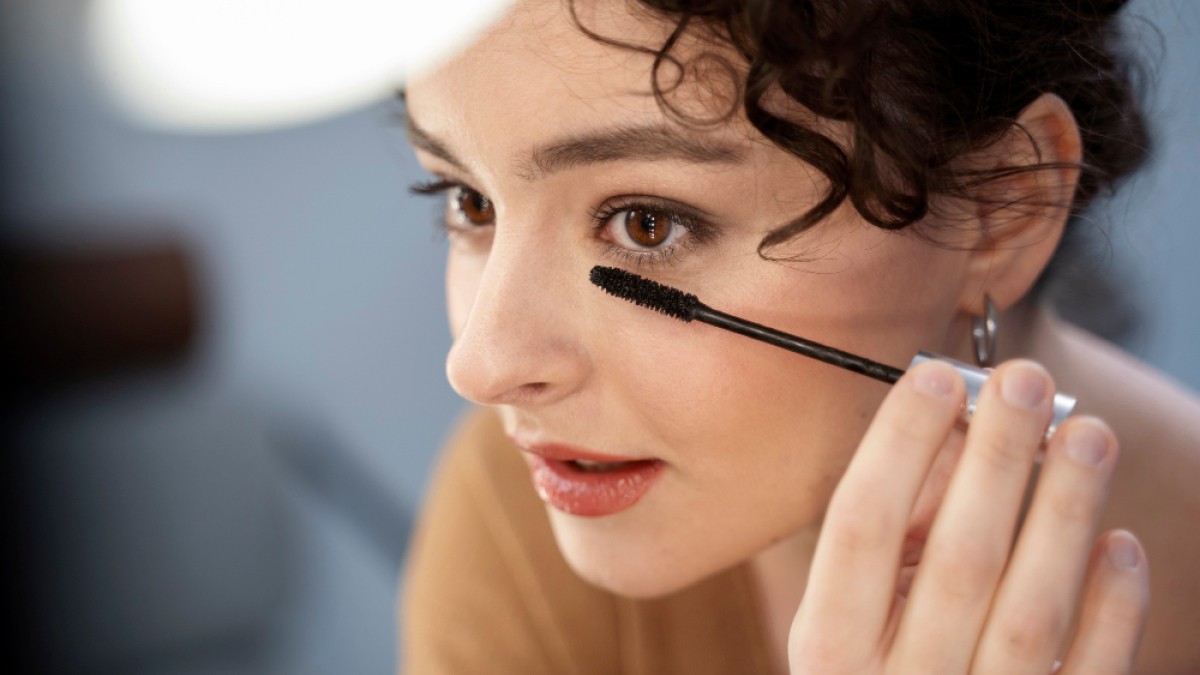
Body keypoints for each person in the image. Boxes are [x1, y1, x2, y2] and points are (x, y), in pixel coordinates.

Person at [399, 0, 1200, 672]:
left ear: (1002, 212)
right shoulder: (516, 519)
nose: (480, 366)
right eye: (470, 201)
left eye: (647, 223)